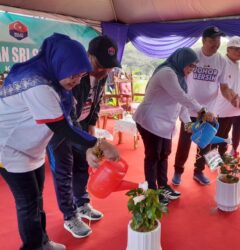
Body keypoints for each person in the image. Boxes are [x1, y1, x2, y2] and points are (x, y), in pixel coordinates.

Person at [0, 33, 119, 250]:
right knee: (28, 204)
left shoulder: (58, 83)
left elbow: (70, 119)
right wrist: (97, 144)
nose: (76, 80)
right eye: (73, 75)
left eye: (80, 75)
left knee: (36, 200)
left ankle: (42, 242)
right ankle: (34, 246)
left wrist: (90, 144)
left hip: (30, 147)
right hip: (9, 149)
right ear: (60, 64)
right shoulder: (38, 84)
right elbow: (61, 127)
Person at [47, 35, 120, 238]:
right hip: (60, 130)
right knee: (63, 171)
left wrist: (92, 125)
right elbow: (67, 117)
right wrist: (89, 143)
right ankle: (69, 215)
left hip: (83, 125)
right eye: (100, 64)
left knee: (83, 165)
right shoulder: (72, 74)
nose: (104, 70)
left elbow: (96, 102)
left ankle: (82, 202)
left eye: (109, 66)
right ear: (87, 55)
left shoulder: (103, 75)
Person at [133, 47, 215, 205]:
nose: (191, 69)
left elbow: (181, 104)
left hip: (164, 123)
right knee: (153, 156)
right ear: (181, 60)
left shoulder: (181, 78)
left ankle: (163, 186)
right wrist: (203, 110)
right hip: (150, 120)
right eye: (190, 65)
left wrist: (188, 123)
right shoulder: (167, 73)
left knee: (164, 153)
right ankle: (152, 191)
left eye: (194, 67)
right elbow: (181, 96)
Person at [172, 26, 239, 186]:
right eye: (212, 40)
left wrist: (231, 97)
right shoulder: (192, 55)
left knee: (205, 143)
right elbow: (180, 80)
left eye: (218, 40)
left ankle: (199, 171)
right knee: (185, 142)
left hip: (209, 111)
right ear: (203, 40)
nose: (216, 44)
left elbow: (223, 87)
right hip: (189, 109)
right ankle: (178, 171)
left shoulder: (221, 61)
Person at [213, 36, 240, 157]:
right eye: (237, 49)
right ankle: (212, 159)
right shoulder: (224, 62)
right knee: (217, 134)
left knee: (225, 133)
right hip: (221, 108)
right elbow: (224, 88)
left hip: (231, 109)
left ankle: (222, 154)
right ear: (228, 49)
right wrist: (237, 101)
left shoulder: (235, 62)